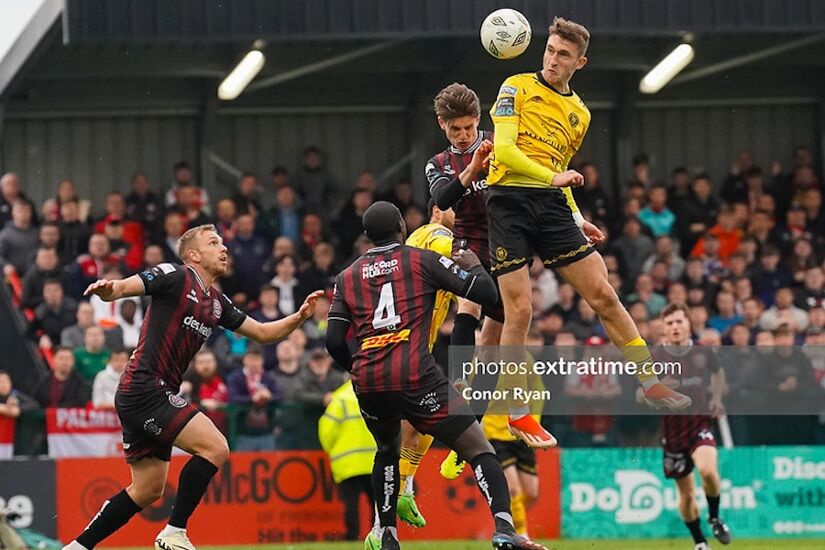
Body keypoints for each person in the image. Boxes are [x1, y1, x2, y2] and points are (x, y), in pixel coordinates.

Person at [62, 224, 322, 550]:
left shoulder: (216, 301)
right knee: (216, 448)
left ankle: (77, 547)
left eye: (223, 242)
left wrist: (299, 317)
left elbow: (264, 334)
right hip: (146, 388)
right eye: (214, 243)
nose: (224, 248)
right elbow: (135, 284)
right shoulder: (177, 274)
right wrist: (112, 290)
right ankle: (174, 532)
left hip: (144, 393)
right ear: (194, 255)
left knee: (147, 490)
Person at [486, 16, 690, 416]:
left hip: (552, 206)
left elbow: (558, 165)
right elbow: (505, 152)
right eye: (550, 50)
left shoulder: (579, 112)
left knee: (604, 295)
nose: (553, 59)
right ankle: (516, 409)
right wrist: (552, 177)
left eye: (564, 54)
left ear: (579, 63)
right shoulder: (515, 86)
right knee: (520, 310)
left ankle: (650, 382)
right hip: (508, 201)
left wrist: (577, 218)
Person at [326, 201, 545, 550]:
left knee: (385, 450)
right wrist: (474, 267)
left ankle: (387, 535)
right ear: (402, 226)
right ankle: (505, 529)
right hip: (414, 372)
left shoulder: (346, 276)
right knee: (479, 449)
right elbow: (485, 295)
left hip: (368, 378)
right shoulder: (421, 259)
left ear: (367, 236)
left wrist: (357, 367)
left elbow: (334, 340)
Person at [656, 303, 732, 550]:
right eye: (670, 324)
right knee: (686, 495)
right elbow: (639, 395)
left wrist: (717, 398)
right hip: (673, 433)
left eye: (679, 321)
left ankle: (714, 517)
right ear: (664, 330)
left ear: (689, 324)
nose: (675, 327)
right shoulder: (656, 357)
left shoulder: (703, 352)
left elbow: (719, 373)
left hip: (699, 424)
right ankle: (700, 541)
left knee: (708, 471)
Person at [317, 379, 376, 541]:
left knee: (351, 505)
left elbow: (326, 431)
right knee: (377, 504)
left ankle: (352, 537)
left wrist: (331, 449)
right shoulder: (374, 395)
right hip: (374, 461)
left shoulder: (339, 400)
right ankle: (379, 535)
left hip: (347, 463)